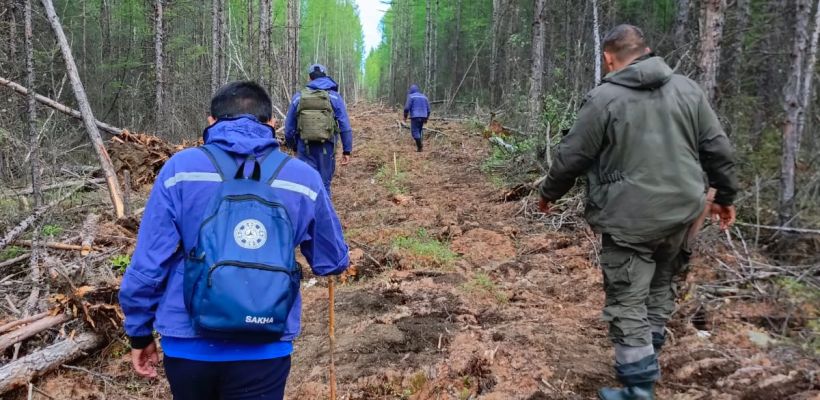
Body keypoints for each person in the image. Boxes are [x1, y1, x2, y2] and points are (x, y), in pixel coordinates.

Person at [537, 25, 737, 400]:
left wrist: (549, 193)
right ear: (646, 51)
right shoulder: (688, 90)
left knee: (627, 298)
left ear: (609, 58)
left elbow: (572, 156)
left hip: (629, 219)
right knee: (661, 286)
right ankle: (647, 361)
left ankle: (639, 389)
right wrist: (724, 195)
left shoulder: (604, 97)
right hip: (683, 214)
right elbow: (718, 149)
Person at [119, 81, 350, 400]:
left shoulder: (180, 170)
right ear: (271, 124)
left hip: (188, 341)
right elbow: (332, 261)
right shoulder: (303, 178)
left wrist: (139, 331)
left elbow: (147, 265)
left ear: (211, 122)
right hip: (265, 342)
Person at [285, 64, 353, 195]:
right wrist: (347, 150)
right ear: (325, 76)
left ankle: (307, 214)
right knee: (324, 185)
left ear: (309, 78)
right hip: (326, 148)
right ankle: (324, 214)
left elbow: (289, 128)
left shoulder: (299, 97)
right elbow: (345, 125)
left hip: (304, 148)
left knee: (305, 185)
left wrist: (293, 147)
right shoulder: (334, 97)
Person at [403, 84, 431, 152]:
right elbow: (429, 110)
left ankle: (420, 146)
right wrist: (426, 118)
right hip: (423, 116)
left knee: (414, 132)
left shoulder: (411, 96)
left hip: (415, 116)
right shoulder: (424, 97)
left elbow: (406, 108)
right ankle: (419, 148)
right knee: (419, 130)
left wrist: (405, 117)